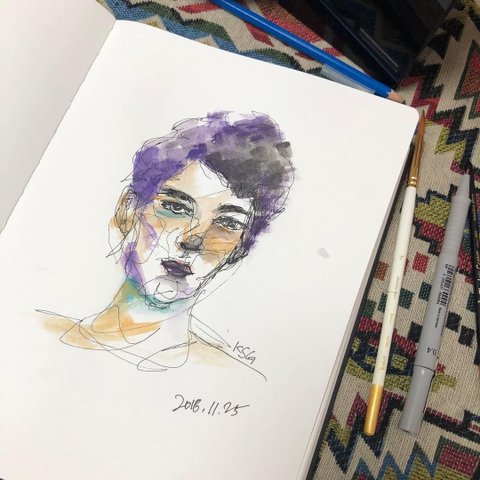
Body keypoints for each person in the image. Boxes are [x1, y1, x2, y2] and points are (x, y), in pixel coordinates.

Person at [41, 111, 294, 373]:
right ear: (128, 210)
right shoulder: (38, 334)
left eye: (228, 223)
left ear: (240, 249)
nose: (192, 240)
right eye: (175, 208)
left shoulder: (228, 374)